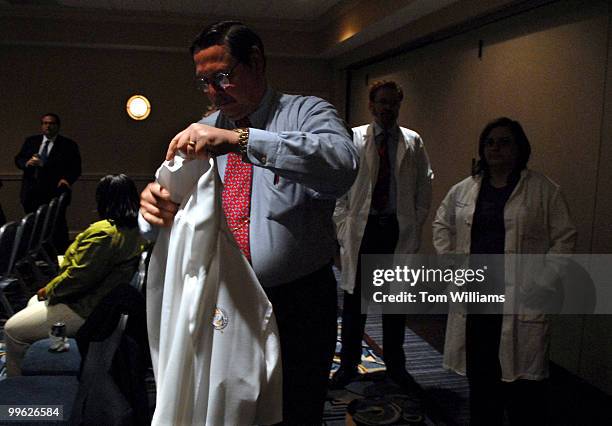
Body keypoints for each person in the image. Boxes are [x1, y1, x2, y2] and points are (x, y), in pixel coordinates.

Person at [139, 21, 359, 424]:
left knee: (297, 406)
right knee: (231, 408)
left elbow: (341, 165)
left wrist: (242, 140)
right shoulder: (205, 128)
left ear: (255, 62)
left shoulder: (306, 112)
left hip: (298, 300)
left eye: (222, 76)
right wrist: (155, 204)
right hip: (226, 299)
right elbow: (181, 213)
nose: (213, 91)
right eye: (203, 82)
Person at [432, 117, 576, 425]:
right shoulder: (465, 189)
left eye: (504, 141)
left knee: (521, 385)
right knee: (481, 373)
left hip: (521, 294)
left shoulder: (543, 190)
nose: (495, 148)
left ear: (520, 147)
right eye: (490, 142)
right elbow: (441, 224)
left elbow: (565, 238)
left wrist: (545, 280)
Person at [331, 80, 433, 389]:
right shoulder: (355, 138)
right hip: (363, 230)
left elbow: (423, 187)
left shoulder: (412, 142)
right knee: (355, 302)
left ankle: (396, 365)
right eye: (382, 102)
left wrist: (414, 220)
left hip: (394, 230)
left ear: (399, 106)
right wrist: (341, 223)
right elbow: (340, 186)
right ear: (371, 106)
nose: (387, 108)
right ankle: (348, 365)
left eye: (393, 103)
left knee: (395, 302)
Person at [4, 174, 145, 376]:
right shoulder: (136, 229)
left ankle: (20, 391)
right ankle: (46, 368)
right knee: (32, 304)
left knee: (12, 330)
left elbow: (77, 279)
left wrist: (48, 290)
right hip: (99, 304)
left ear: (103, 198)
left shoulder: (104, 233)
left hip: (84, 308)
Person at [14, 113, 81, 252]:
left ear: (57, 126)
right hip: (32, 191)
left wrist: (65, 179)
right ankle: (33, 253)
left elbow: (75, 168)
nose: (48, 126)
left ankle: (57, 253)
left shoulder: (67, 145)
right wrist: (27, 163)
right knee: (32, 225)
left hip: (54, 191)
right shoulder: (31, 141)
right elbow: (19, 159)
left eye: (51, 123)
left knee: (56, 226)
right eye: (45, 123)